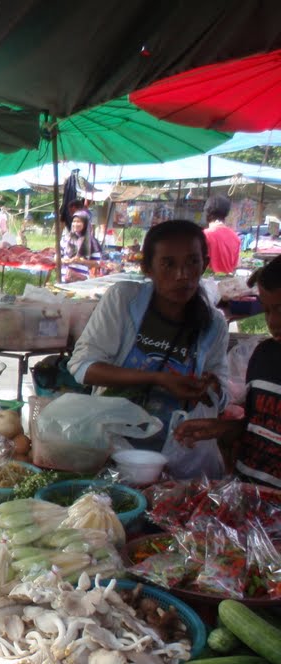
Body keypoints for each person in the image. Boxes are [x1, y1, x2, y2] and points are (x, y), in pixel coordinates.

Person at [68, 219, 229, 450]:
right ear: (147, 268)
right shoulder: (124, 300)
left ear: (205, 264)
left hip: (175, 450)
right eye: (168, 264)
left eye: (192, 262)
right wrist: (157, 378)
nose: (182, 275)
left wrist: (210, 387)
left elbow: (221, 398)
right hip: (110, 443)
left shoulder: (214, 325)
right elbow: (83, 367)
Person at [174, 258, 281, 489]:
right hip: (247, 494)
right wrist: (225, 429)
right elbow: (258, 423)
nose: (273, 322)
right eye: (267, 309)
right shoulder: (264, 356)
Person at [60, 209, 103, 280]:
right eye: (74, 221)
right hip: (63, 278)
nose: (75, 224)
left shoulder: (92, 241)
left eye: (79, 222)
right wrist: (66, 261)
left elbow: (97, 263)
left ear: (85, 223)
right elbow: (56, 257)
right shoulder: (66, 239)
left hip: (80, 280)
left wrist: (82, 261)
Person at [204, 195, 240, 274]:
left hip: (207, 282)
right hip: (227, 283)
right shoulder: (235, 237)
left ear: (207, 212)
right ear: (226, 213)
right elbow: (235, 266)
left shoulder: (204, 236)